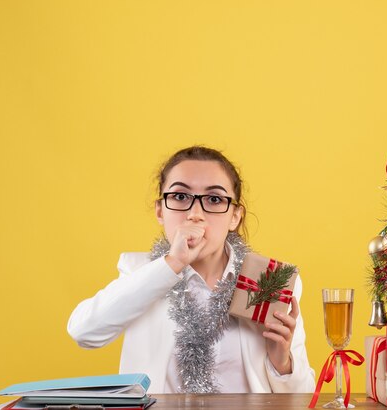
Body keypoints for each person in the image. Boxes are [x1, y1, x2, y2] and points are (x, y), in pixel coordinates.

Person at [67, 146, 315, 394]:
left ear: (235, 217)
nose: (195, 214)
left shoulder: (268, 280)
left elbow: (304, 396)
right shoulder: (140, 271)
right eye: (180, 197)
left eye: (214, 199)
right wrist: (172, 263)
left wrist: (281, 363)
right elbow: (84, 332)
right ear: (160, 210)